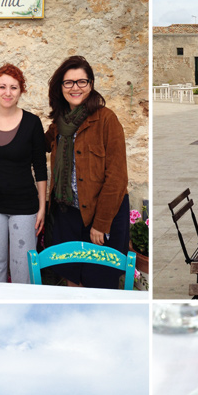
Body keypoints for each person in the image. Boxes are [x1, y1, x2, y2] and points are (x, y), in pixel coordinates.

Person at [45, 55, 129, 288]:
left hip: (100, 214)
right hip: (67, 212)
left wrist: (101, 224)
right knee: (72, 276)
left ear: (91, 85)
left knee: (99, 281)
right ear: (60, 87)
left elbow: (117, 177)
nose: (75, 88)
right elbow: (37, 144)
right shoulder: (59, 123)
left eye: (82, 81)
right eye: (68, 82)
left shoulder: (106, 120)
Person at [0, 64, 47, 291]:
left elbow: (40, 167)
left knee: (21, 267)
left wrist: (42, 206)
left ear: (21, 90)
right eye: (2, 86)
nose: (8, 92)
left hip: (24, 205)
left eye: (13, 87)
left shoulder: (32, 123)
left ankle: (20, 312)